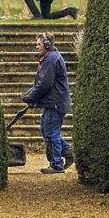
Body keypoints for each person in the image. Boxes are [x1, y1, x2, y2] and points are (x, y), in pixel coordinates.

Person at [22, 32, 74, 174]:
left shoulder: (51, 59)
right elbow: (41, 82)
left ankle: (56, 164)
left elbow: (45, 84)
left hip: (55, 103)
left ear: (46, 44)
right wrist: (29, 95)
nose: (36, 46)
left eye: (39, 44)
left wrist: (30, 97)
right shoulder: (50, 57)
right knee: (48, 131)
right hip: (54, 102)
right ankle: (69, 153)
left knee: (51, 133)